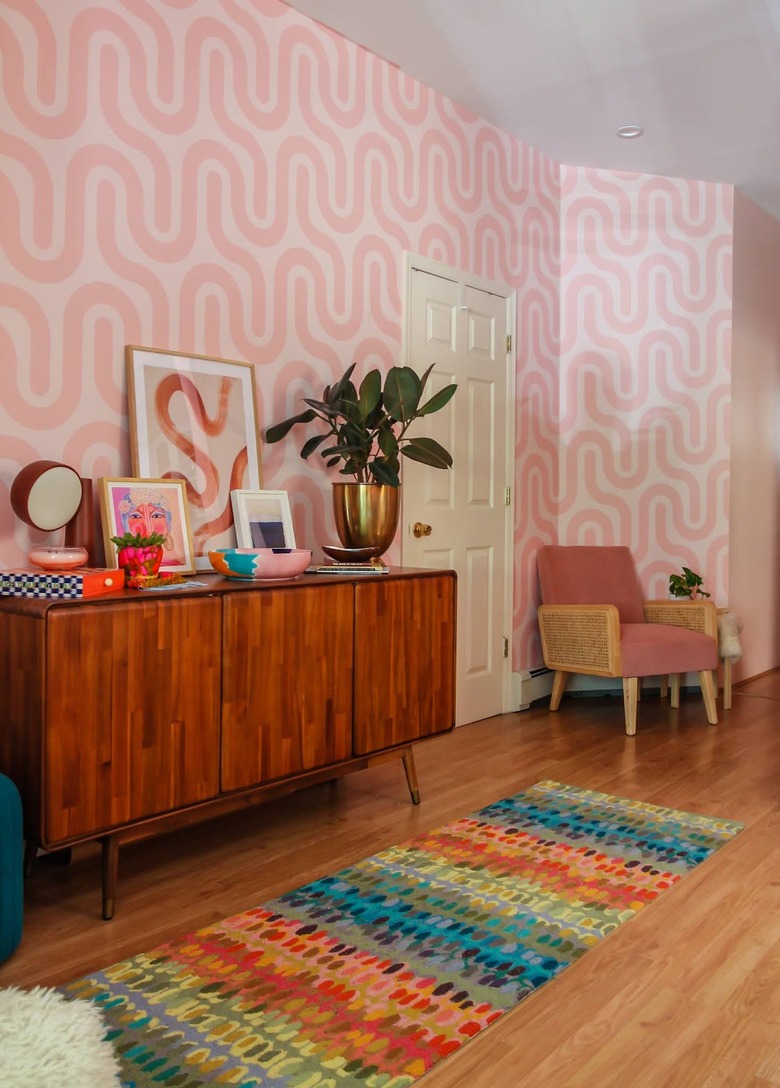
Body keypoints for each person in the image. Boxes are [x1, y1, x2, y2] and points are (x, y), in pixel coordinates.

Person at [116, 487, 182, 562]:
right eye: (136, 516)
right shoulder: (128, 561)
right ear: (126, 522)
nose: (148, 528)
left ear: (167, 520)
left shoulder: (177, 560)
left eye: (156, 516)